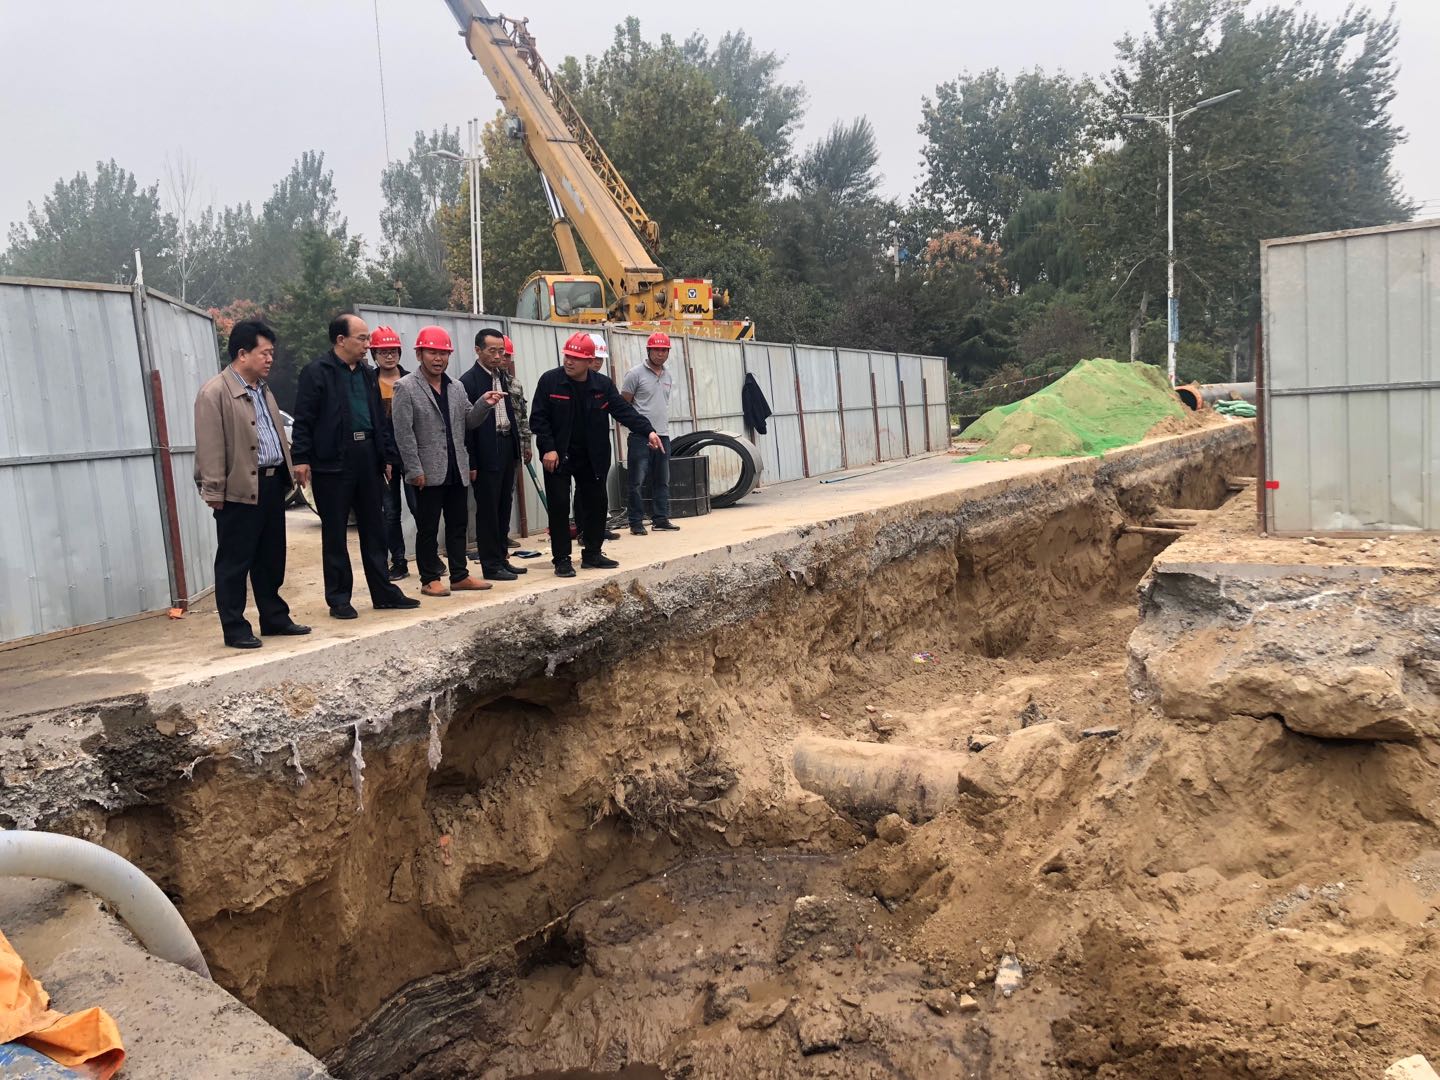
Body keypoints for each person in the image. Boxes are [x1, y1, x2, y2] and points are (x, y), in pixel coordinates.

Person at [291, 313, 421, 619]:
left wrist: (386, 457)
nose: (367, 345)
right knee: (335, 532)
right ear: (341, 340)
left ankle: (383, 592)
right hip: (333, 461)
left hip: (368, 457)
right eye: (362, 339)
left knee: (375, 528)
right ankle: (339, 598)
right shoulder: (317, 372)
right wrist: (301, 458)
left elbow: (379, 418)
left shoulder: (366, 374)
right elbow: (304, 419)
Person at [193, 320, 310, 649]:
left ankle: (274, 617)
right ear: (243, 354)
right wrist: (214, 490)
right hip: (239, 489)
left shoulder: (263, 389)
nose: (270, 359)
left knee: (271, 558)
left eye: (272, 353)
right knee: (235, 562)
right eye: (265, 353)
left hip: (272, 485)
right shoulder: (215, 392)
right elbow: (210, 446)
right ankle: (235, 627)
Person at [529, 332, 661, 577]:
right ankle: (562, 560)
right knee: (559, 506)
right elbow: (538, 418)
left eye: (576, 358)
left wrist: (648, 431)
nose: (569, 361)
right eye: (567, 356)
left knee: (597, 504)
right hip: (558, 455)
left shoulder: (602, 386)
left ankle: (592, 553)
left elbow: (623, 411)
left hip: (593, 455)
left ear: (590, 361)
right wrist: (548, 448)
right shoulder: (550, 381)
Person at [392, 326, 506, 597]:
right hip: (427, 470)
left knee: (457, 525)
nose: (438, 359)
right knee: (428, 527)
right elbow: (403, 433)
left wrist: (484, 404)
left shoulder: (456, 386)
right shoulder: (405, 387)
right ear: (419, 354)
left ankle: (459, 575)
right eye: (432, 353)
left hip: (456, 467)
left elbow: (469, 421)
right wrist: (414, 468)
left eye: (443, 353)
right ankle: (429, 578)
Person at [460, 328, 528, 581]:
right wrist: (472, 461)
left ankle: (502, 558)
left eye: (501, 351)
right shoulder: (469, 381)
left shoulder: (503, 377)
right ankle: (490, 564)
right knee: (488, 509)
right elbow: (466, 426)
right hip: (486, 451)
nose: (498, 356)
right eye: (492, 351)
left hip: (506, 445)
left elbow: (514, 414)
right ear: (478, 350)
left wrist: (518, 448)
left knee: (503, 506)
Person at [621, 331, 681, 535]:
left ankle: (660, 519)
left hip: (662, 435)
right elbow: (624, 405)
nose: (660, 354)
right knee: (636, 481)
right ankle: (636, 522)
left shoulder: (668, 375)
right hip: (640, 437)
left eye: (664, 350)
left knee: (662, 480)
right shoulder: (634, 374)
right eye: (657, 350)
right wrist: (639, 427)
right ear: (648, 351)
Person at [370, 325, 414, 580]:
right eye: (383, 352)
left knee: (421, 509)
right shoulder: (369, 382)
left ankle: (429, 559)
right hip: (385, 459)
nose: (389, 356)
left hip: (411, 456)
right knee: (391, 513)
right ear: (374, 355)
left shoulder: (411, 380)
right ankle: (398, 562)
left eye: (393, 351)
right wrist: (383, 457)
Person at [499, 335, 532, 550]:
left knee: (507, 494)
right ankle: (491, 538)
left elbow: (522, 416)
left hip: (514, 447)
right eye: (502, 355)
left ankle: (503, 535)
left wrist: (526, 444)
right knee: (490, 497)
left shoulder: (515, 385)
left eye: (507, 356)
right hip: (493, 448)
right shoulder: (483, 382)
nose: (504, 359)